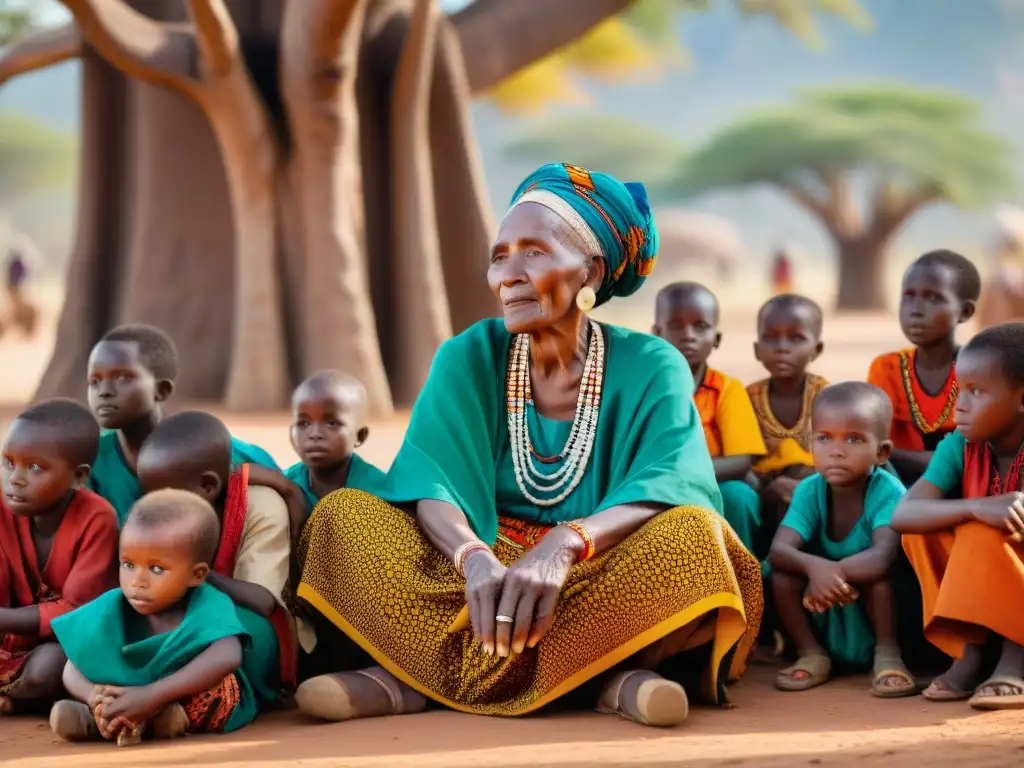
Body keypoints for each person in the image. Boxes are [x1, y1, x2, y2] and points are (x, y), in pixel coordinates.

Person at [294, 162, 762, 728]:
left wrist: (566, 544)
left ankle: (411, 682)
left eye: (534, 252)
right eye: (499, 256)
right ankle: (603, 681)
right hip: (473, 573)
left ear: (589, 271)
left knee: (696, 540)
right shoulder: (469, 353)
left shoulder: (651, 363)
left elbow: (671, 484)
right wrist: (474, 560)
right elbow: (430, 479)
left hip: (594, 570)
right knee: (342, 518)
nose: (509, 275)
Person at [50, 490, 257, 743]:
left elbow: (228, 655)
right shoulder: (111, 606)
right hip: (125, 693)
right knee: (106, 693)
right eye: (128, 564)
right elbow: (73, 665)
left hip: (177, 694)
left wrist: (153, 696)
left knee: (219, 689)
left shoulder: (208, 603)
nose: (137, 582)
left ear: (197, 575)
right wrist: (92, 695)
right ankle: (102, 720)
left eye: (156, 568)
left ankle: (168, 719)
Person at [892, 323, 1024, 710]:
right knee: (924, 532)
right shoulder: (960, 446)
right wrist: (975, 506)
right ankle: (967, 651)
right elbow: (905, 513)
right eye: (959, 389)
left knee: (984, 533)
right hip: (985, 582)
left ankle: (1017, 657)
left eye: (977, 392)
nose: (959, 406)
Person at [134, 411, 295, 708]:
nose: (157, 506)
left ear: (208, 486)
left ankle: (184, 706)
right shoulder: (170, 507)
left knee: (229, 637)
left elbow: (262, 600)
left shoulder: (261, 507)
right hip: (185, 610)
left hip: (245, 619)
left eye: (165, 494)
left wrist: (197, 574)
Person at [768, 383, 914, 697]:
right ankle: (811, 653)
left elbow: (882, 557)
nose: (836, 450)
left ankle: (888, 656)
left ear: (882, 452)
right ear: (811, 445)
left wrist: (827, 576)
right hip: (824, 606)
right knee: (782, 577)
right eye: (824, 438)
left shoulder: (889, 492)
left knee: (879, 578)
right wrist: (813, 570)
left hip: (878, 609)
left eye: (853, 439)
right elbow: (779, 551)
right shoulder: (809, 490)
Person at [85, 323, 303, 531]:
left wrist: (250, 476)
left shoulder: (208, 445)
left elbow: (286, 489)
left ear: (161, 390)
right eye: (95, 381)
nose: (104, 391)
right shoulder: (90, 456)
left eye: (123, 378)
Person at [0, 399, 119, 714]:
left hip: (63, 645)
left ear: (78, 477)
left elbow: (77, 612)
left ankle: (19, 698)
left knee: (47, 670)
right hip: (6, 643)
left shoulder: (98, 519)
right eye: (8, 462)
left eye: (35, 467)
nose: (15, 478)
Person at [653, 281, 766, 553]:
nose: (688, 335)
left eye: (700, 327)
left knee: (740, 498)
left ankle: (744, 583)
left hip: (715, 483)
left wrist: (682, 474)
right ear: (657, 333)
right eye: (676, 326)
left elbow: (740, 461)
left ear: (716, 338)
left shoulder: (726, 388)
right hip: (657, 486)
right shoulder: (646, 387)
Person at [867, 250, 979, 485]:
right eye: (908, 296)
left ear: (965, 312)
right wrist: (940, 462)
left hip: (971, 486)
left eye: (934, 298)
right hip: (899, 485)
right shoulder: (887, 369)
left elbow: (991, 450)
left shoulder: (980, 369)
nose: (916, 310)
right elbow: (871, 445)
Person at [748, 295, 828, 537]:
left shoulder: (827, 397)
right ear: (757, 349)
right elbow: (741, 460)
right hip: (764, 493)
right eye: (770, 338)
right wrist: (767, 487)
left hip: (817, 489)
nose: (782, 347)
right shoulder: (747, 398)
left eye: (796, 338)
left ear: (816, 350)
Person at [285, 371, 386, 514]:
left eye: (332, 423)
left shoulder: (379, 489)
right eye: (304, 423)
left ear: (360, 436)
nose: (315, 434)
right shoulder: (285, 485)